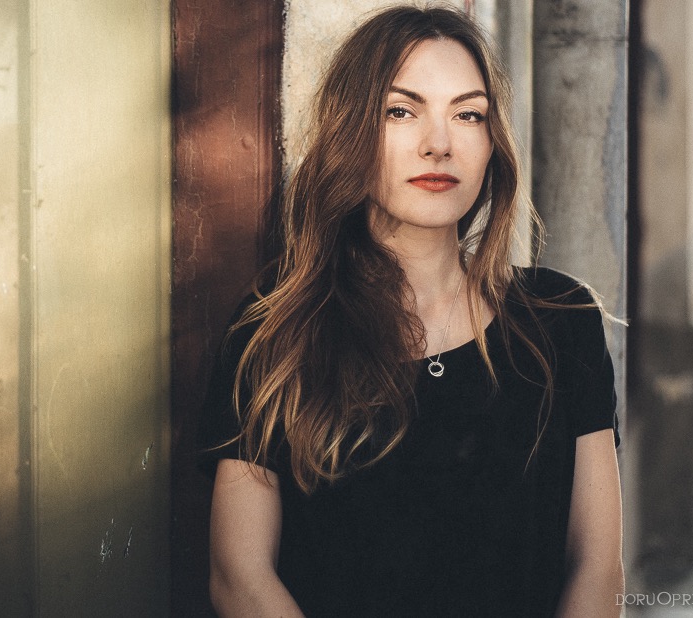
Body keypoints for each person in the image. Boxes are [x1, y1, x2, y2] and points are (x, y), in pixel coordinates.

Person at [200, 5, 624, 616]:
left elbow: (599, 568)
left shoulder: (561, 320)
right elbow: (239, 577)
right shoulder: (276, 329)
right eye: (401, 110)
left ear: (491, 144)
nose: (438, 144)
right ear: (353, 132)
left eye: (468, 114)